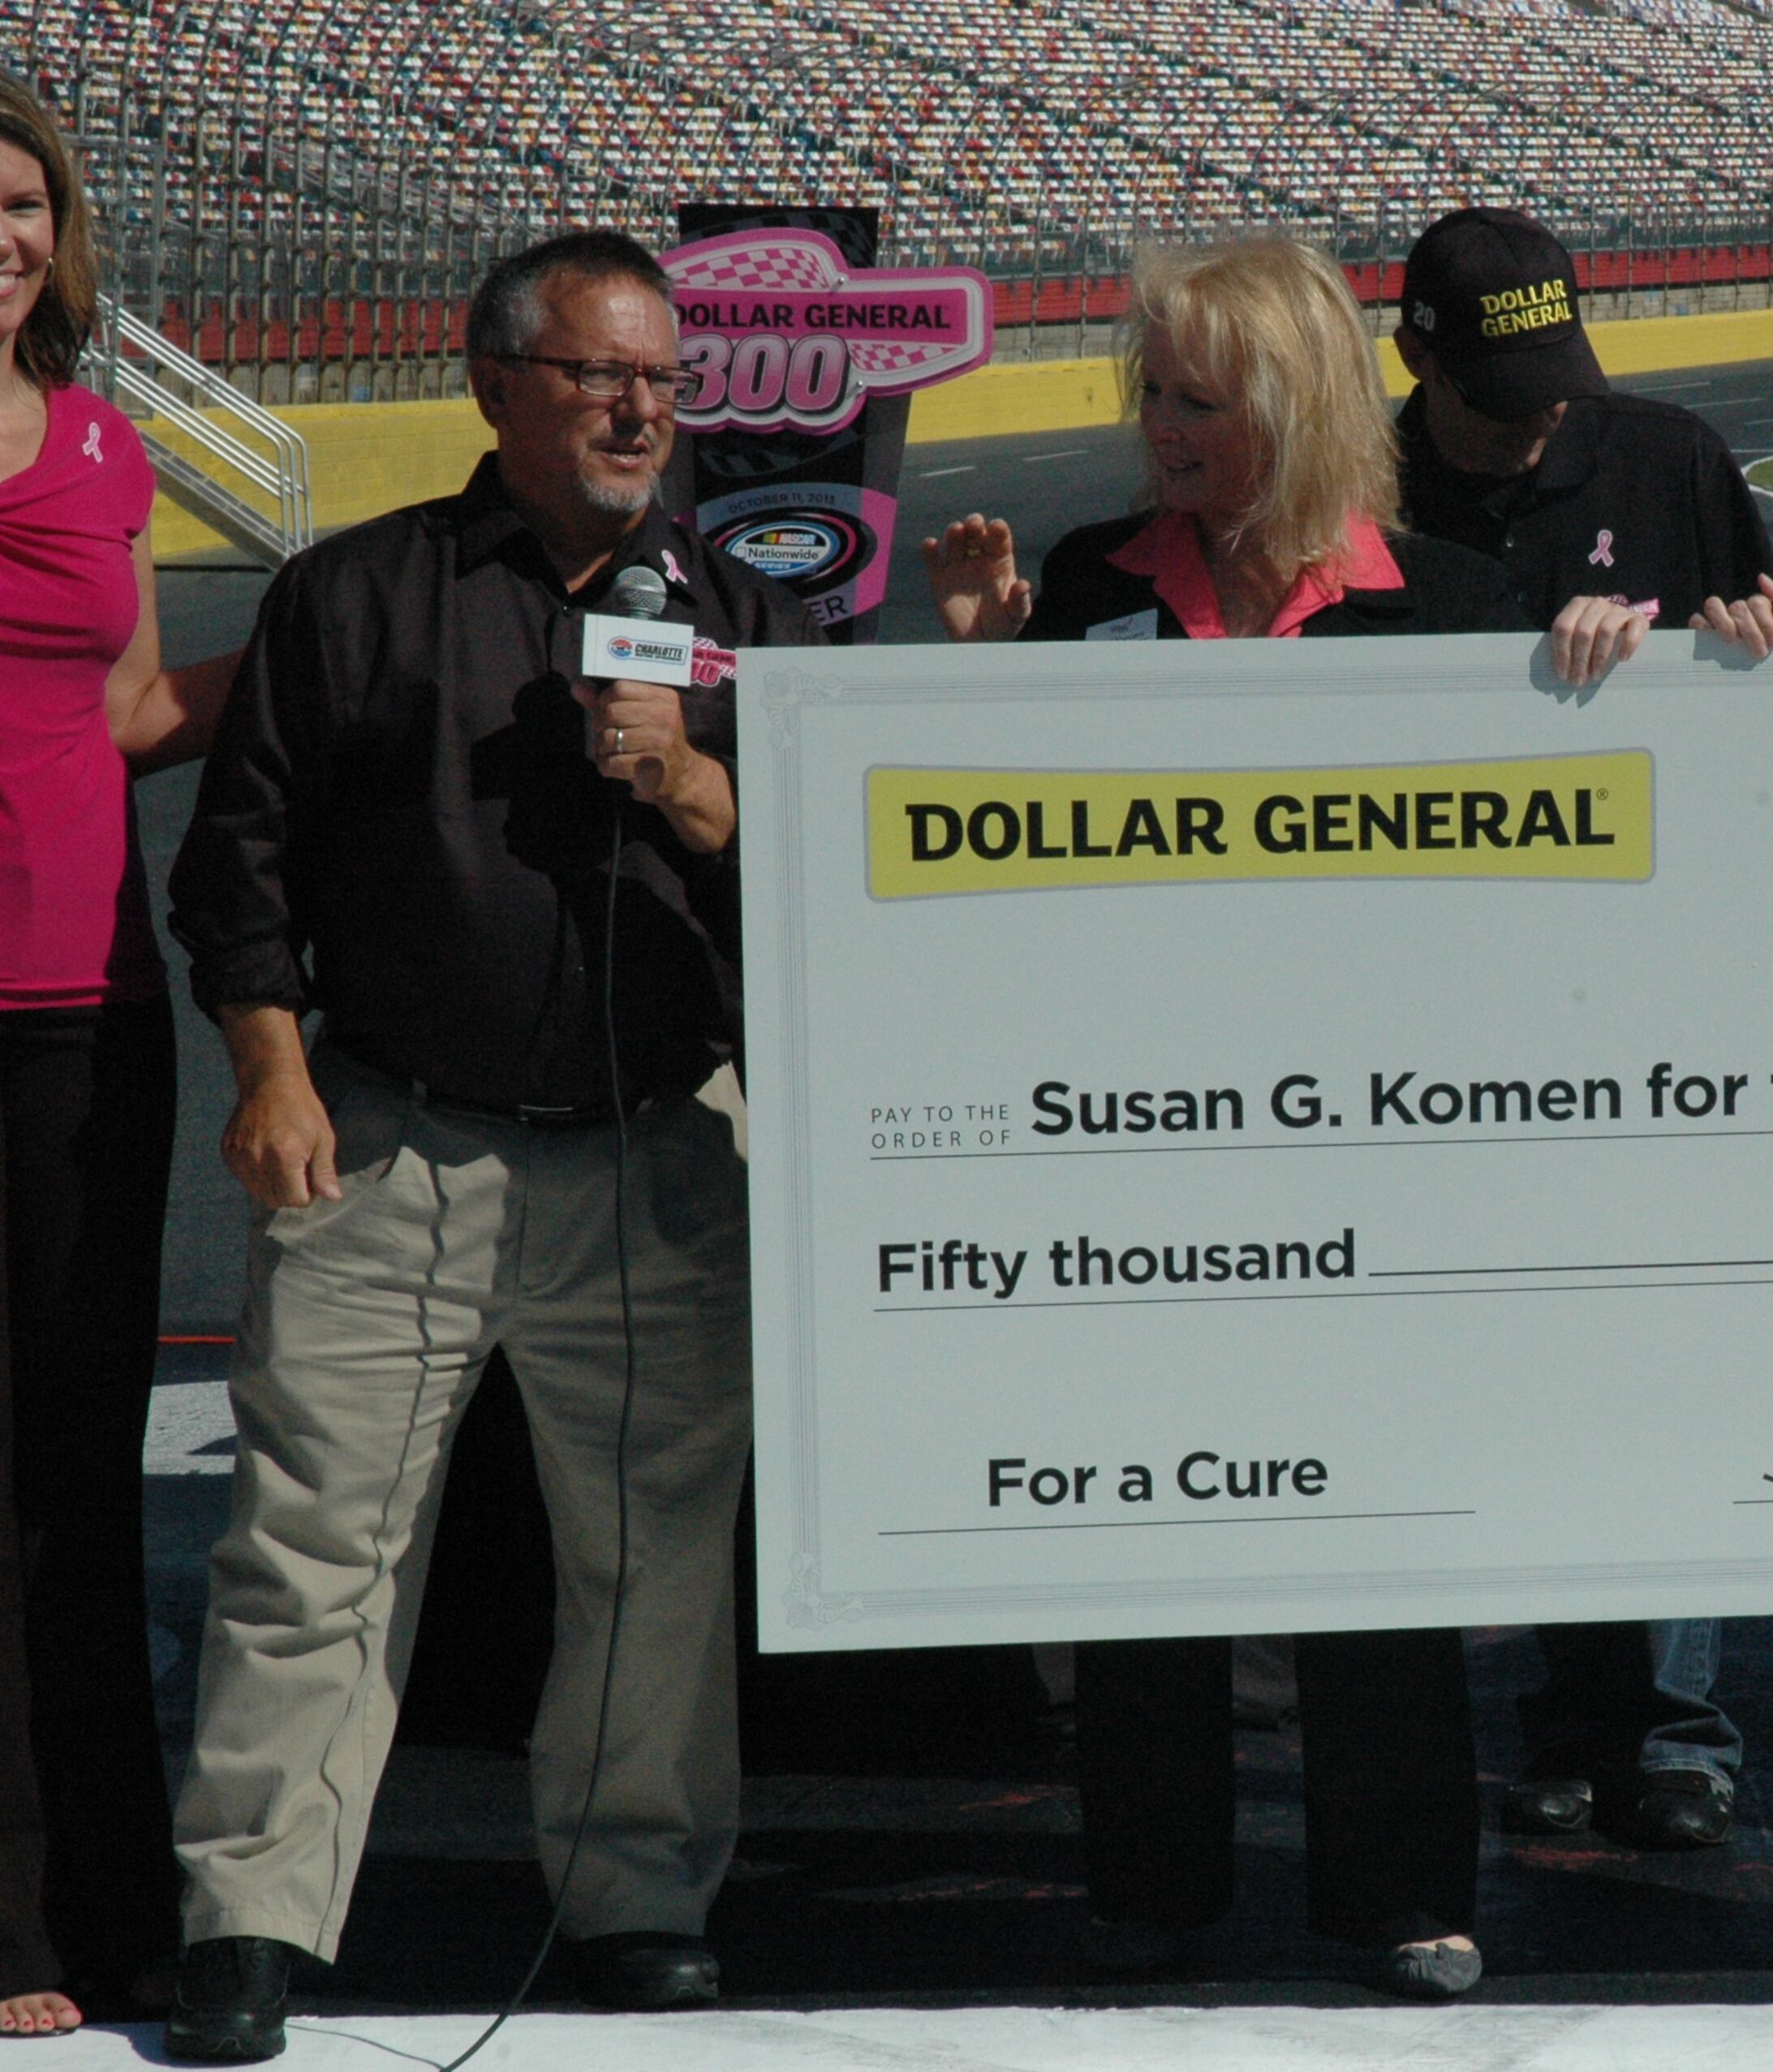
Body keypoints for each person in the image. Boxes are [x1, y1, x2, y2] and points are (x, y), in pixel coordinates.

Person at [160, 228, 815, 2062]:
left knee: (656, 1558)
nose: (640, 410)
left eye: (664, 380)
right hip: (392, 1144)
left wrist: (691, 782)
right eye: (601, 374)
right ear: (496, 385)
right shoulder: (358, 595)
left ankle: (636, 1890)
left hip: (657, 1148)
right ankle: (252, 1913)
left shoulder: (742, 609)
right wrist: (271, 1073)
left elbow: (828, 873)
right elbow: (239, 872)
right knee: (312, 1551)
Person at [923, 235, 1595, 1999]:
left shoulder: (1456, 603)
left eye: (1200, 399)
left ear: (1294, 406)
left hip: (1381, 1148)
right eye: (1150, 391)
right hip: (1138, 1142)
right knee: (1151, 1517)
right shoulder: (1089, 581)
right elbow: (1001, 851)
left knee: (1383, 1532)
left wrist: (1667, 663)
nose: (1162, 425)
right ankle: (1151, 1881)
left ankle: (1403, 1889)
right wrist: (982, 676)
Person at [1389, 204, 1773, 1851]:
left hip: (1658, 976)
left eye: (1559, 377)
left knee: (1666, 1347)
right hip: (1454, 991)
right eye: (1507, 393)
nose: (1543, 413)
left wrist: (1743, 657)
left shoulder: (1666, 456)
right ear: (1415, 358)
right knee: (1526, 1365)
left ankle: (1676, 1725)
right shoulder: (1361, 482)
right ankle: (1572, 1703)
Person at [0, 77, 237, 2040]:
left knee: (80, 1479)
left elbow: (140, 702)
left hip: (89, 1016)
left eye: (21, 202)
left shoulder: (103, 442)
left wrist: (325, 639)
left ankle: (110, 1897)